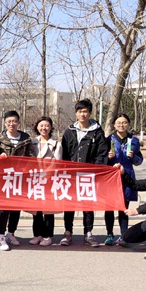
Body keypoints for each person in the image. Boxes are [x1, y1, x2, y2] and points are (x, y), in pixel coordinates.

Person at [60, 99, 108, 247]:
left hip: (88, 175)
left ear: (90, 113)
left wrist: (96, 171)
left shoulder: (97, 132)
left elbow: (102, 153)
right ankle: (68, 233)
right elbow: (64, 153)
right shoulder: (69, 131)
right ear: (76, 113)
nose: (83, 114)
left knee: (88, 205)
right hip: (71, 175)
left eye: (85, 111)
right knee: (69, 205)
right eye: (80, 111)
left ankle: (88, 233)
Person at [0, 110, 34, 251]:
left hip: (20, 178)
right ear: (5, 123)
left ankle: (11, 233)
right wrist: (0, 158)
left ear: (18, 123)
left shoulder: (26, 139)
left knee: (16, 207)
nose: (11, 124)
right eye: (9, 122)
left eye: (14, 121)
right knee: (4, 208)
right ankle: (1, 236)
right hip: (4, 178)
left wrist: (25, 167)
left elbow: (31, 157)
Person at [104, 114, 143, 246]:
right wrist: (108, 158)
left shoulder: (133, 141)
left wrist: (133, 157)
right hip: (111, 177)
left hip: (127, 176)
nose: (121, 125)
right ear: (114, 125)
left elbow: (139, 161)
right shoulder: (108, 140)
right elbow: (101, 159)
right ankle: (109, 234)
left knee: (124, 207)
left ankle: (124, 235)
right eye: (119, 123)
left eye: (124, 122)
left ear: (128, 124)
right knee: (109, 207)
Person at [29, 116, 62, 247]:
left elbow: (57, 163)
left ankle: (48, 235)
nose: (44, 128)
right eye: (41, 125)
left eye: (47, 125)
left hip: (49, 180)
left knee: (48, 210)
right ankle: (37, 234)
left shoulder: (56, 144)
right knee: (36, 209)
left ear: (51, 127)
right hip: (34, 179)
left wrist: (46, 173)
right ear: (37, 127)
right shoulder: (32, 143)